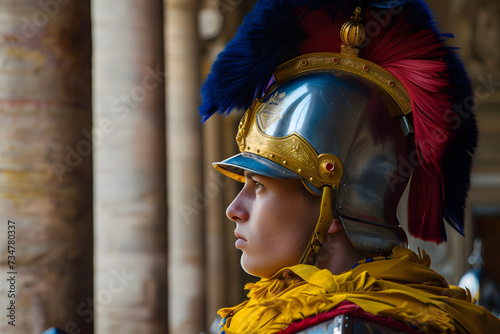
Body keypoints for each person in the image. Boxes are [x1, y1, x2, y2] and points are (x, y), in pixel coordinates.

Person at [199, 0, 500, 333]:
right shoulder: (246, 319)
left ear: (334, 202)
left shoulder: (359, 326)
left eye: (260, 185)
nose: (234, 209)